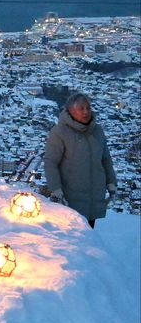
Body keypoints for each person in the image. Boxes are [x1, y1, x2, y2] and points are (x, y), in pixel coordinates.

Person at [43, 92, 118, 228]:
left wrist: (111, 183)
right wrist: (56, 189)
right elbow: (50, 162)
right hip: (70, 200)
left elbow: (106, 159)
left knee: (88, 238)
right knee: (73, 240)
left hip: (94, 199)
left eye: (88, 108)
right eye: (81, 108)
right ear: (71, 111)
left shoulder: (97, 131)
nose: (86, 112)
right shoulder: (60, 132)